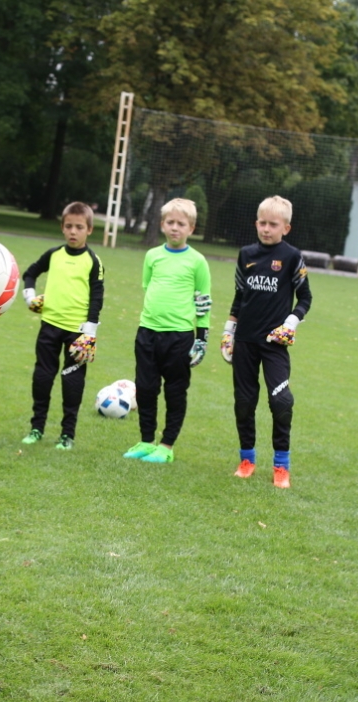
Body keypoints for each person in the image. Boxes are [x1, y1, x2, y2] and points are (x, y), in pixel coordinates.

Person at [220, 195, 311, 489]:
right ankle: (247, 460)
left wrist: (291, 322)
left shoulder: (292, 256)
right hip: (244, 340)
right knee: (245, 403)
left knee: (281, 402)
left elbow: (305, 297)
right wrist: (228, 331)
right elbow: (239, 297)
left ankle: (281, 466)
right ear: (256, 223)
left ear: (286, 227)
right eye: (262, 223)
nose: (266, 229)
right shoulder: (245, 254)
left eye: (273, 224)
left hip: (274, 344)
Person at [122, 197, 211, 464]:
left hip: (180, 337)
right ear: (162, 224)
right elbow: (148, 287)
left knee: (175, 391)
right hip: (148, 332)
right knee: (146, 388)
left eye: (181, 224)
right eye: (170, 222)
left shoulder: (197, 262)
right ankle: (147, 441)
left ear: (191, 228)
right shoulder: (152, 256)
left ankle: (167, 446)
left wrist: (202, 339)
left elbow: (203, 303)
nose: (175, 228)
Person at [19, 202, 105, 450]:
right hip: (49, 327)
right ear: (62, 227)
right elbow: (31, 272)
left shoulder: (93, 261)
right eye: (69, 226)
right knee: (43, 377)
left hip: (77, 333)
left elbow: (97, 297)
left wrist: (90, 333)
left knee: (72, 383)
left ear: (89, 229)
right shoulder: (54, 254)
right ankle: (37, 428)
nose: (73, 232)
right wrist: (30, 298)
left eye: (79, 227)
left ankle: (67, 434)